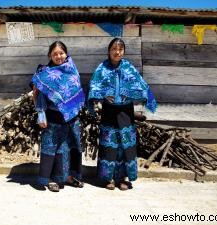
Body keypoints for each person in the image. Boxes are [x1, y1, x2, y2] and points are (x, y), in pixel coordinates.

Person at [88, 38, 157, 190]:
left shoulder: (129, 68)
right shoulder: (102, 68)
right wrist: (104, 94)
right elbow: (93, 87)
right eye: (114, 48)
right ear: (109, 51)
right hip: (109, 111)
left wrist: (130, 94)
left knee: (125, 144)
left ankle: (122, 178)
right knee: (109, 144)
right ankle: (108, 178)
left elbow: (142, 87)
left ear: (124, 51)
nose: (117, 52)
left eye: (120, 49)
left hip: (126, 112)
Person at [30, 41, 85, 192]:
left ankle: (67, 177)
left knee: (68, 148)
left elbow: (77, 90)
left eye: (61, 53)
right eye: (55, 54)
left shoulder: (72, 69)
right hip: (52, 116)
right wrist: (41, 114)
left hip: (71, 117)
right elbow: (37, 94)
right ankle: (50, 178)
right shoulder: (44, 73)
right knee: (51, 149)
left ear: (66, 53)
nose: (58, 56)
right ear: (50, 55)